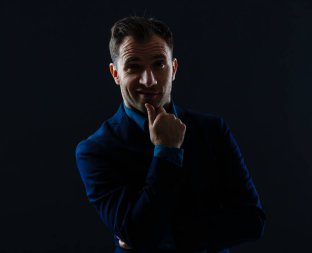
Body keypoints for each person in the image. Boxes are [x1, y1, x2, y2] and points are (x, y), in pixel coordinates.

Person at [75, 16, 266, 253]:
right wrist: (167, 151)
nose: (150, 80)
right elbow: (138, 233)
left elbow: (252, 222)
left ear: (173, 68)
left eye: (159, 64)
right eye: (133, 66)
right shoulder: (95, 150)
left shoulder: (212, 130)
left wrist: (163, 238)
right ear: (115, 74)